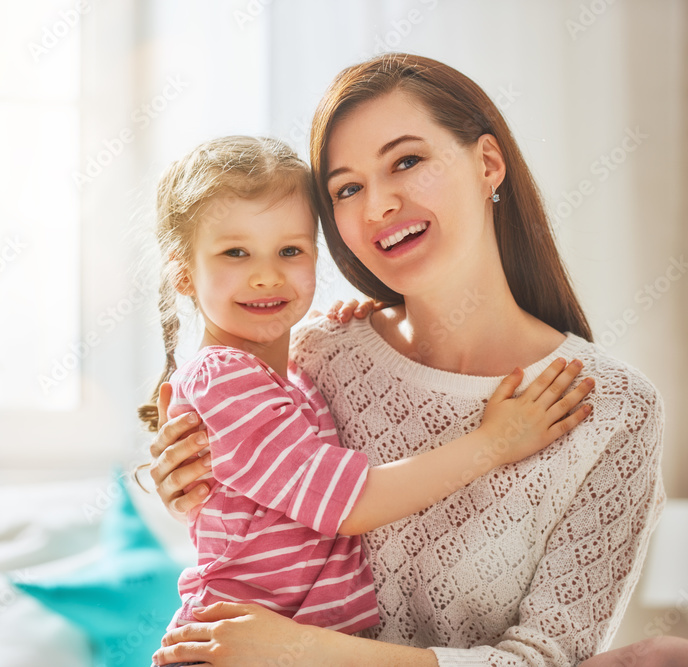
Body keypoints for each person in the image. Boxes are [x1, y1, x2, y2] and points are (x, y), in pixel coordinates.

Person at [148, 54, 670, 667]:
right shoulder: (316, 353)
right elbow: (254, 527)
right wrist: (177, 476)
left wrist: (299, 651)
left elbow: (545, 661)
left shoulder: (612, 411)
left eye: (407, 161)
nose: (376, 209)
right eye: (347, 188)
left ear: (487, 164)